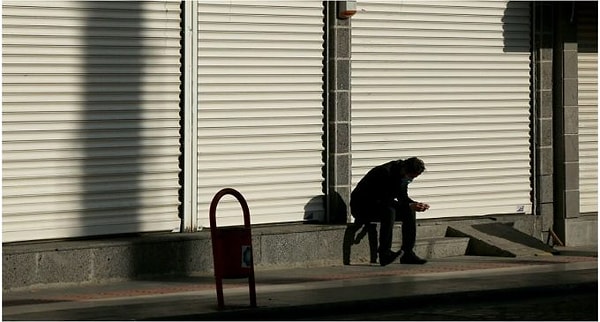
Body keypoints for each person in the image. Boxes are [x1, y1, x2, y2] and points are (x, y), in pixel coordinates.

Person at [350, 157, 429, 266]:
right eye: (411, 176)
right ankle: (384, 253)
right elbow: (382, 199)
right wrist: (409, 205)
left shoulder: (401, 176)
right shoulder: (383, 173)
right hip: (363, 207)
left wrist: (415, 204)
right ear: (405, 170)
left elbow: (402, 198)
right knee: (389, 211)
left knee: (408, 211)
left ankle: (408, 253)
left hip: (382, 205)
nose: (410, 179)